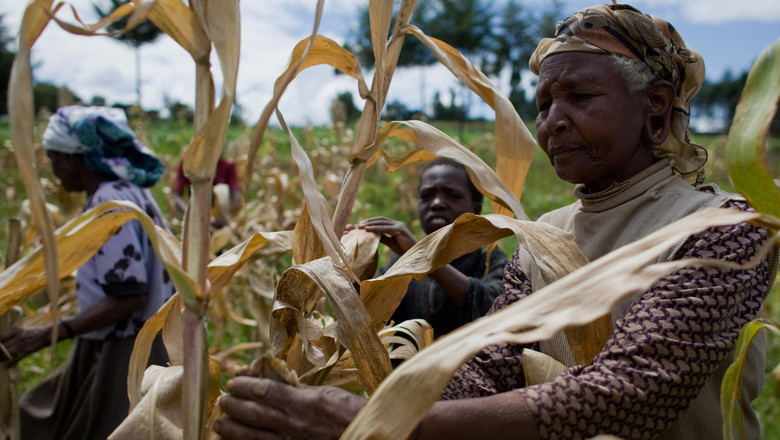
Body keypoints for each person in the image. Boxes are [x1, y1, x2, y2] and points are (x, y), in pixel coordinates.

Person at [213, 4, 776, 440]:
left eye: (579, 96)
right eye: (544, 103)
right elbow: (490, 369)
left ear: (654, 105)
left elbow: (634, 389)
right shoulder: (544, 234)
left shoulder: (722, 227)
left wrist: (382, 423)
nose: (553, 121)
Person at [0, 106, 175, 440]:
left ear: (75, 159)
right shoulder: (130, 191)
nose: (53, 169)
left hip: (124, 347)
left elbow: (130, 295)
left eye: (54, 157)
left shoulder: (108, 203)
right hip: (131, 339)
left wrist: (46, 334)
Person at [347, 158, 508, 339]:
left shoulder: (491, 261)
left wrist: (424, 257)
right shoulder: (401, 265)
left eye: (452, 196)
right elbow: (369, 319)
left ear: (476, 210)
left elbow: (495, 308)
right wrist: (357, 267)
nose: (437, 203)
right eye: (427, 196)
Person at [172, 156, 243, 221]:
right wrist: (189, 214)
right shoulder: (187, 164)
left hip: (221, 219)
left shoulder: (227, 165)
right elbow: (177, 196)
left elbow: (236, 192)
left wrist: (229, 216)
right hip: (195, 218)